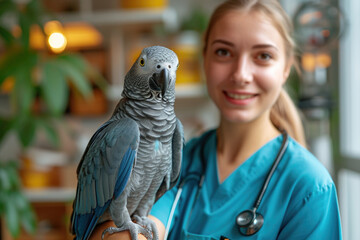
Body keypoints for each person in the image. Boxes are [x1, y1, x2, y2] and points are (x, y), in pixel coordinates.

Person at [90, 0, 342, 239]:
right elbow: (141, 224)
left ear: (286, 67)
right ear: (204, 60)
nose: (241, 74)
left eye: (263, 56)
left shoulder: (310, 188)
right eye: (224, 51)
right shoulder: (181, 157)